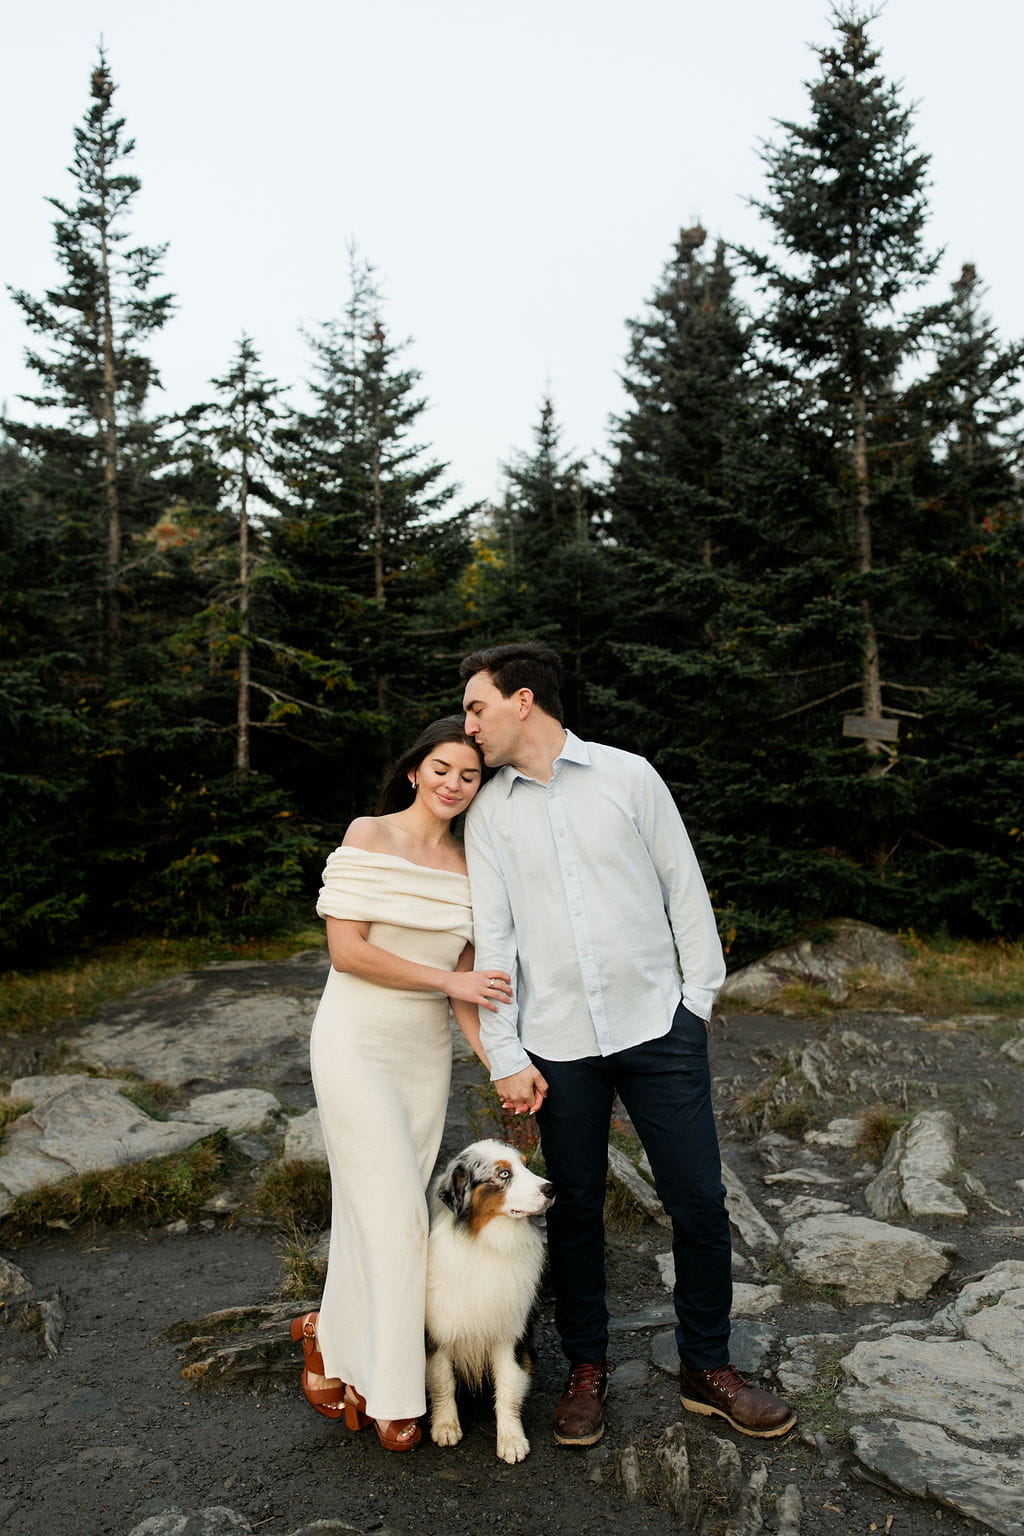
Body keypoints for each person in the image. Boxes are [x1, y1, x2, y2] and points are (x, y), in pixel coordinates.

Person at [459, 642, 796, 1446]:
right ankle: (586, 1370)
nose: (468, 724)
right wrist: (505, 1054)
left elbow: (684, 886)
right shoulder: (490, 812)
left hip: (658, 1029)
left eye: (477, 707)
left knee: (699, 1202)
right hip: (557, 1042)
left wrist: (697, 1002)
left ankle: (707, 1369)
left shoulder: (627, 775)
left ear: (524, 701)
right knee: (572, 1212)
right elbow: (495, 937)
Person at [291, 717, 512, 1451]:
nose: (453, 783)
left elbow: (465, 994)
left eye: (469, 775)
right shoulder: (368, 835)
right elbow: (348, 952)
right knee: (394, 1216)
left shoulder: (473, 865)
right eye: (441, 768)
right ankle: (394, 1396)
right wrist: (452, 976)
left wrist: (501, 1066)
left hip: (422, 1057)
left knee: (373, 1211)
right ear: (415, 770)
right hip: (354, 1039)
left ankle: (327, 1334)